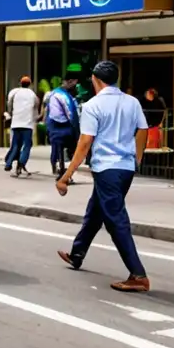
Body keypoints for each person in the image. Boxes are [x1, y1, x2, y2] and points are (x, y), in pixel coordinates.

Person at [55, 60, 150, 292]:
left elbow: (85, 143)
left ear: (96, 80)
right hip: (125, 168)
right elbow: (143, 130)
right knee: (95, 212)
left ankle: (138, 275)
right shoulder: (132, 102)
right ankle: (77, 254)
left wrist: (65, 176)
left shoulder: (92, 105)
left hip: (106, 169)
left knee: (116, 221)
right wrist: (136, 159)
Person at [45, 71, 80, 179]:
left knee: (58, 150)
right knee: (69, 150)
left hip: (54, 128)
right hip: (62, 128)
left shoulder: (55, 94)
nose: (75, 87)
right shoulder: (62, 95)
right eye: (74, 84)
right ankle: (64, 173)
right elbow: (70, 114)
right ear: (69, 82)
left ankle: (60, 169)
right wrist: (76, 129)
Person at [4, 75, 39, 177]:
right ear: (30, 84)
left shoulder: (15, 93)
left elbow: (9, 105)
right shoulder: (32, 94)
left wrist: (11, 114)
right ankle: (22, 162)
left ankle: (8, 163)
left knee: (15, 145)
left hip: (16, 123)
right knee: (27, 145)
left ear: (20, 83)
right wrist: (35, 118)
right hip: (27, 125)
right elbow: (36, 107)